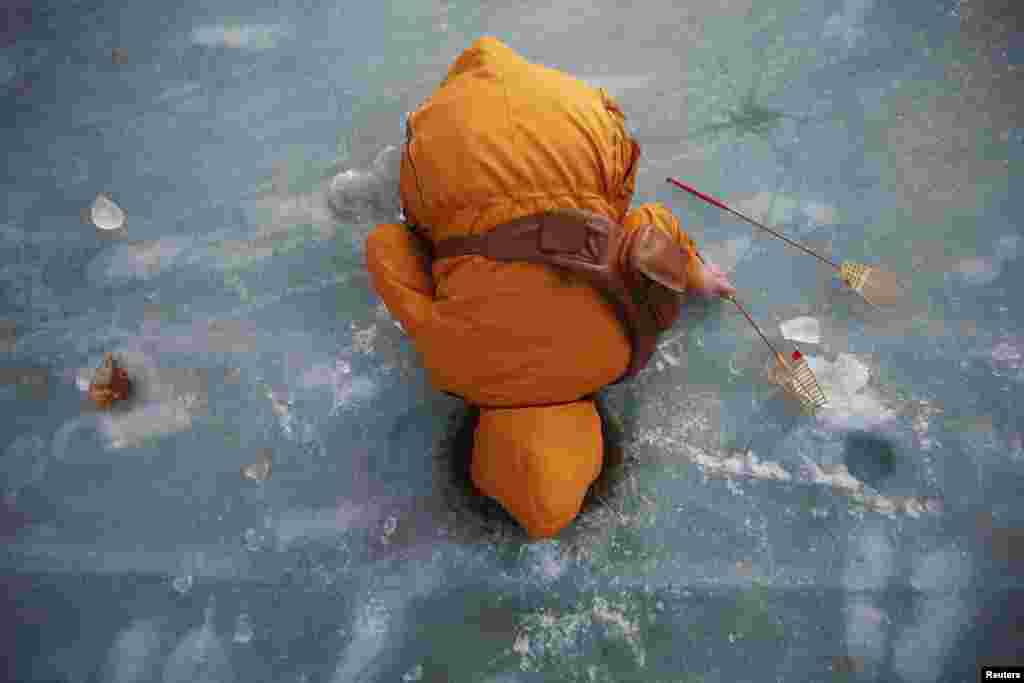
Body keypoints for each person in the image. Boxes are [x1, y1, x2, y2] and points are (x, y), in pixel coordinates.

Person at [363, 36, 735, 540]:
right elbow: (387, 245)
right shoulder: (452, 367)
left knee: (608, 210)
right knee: (426, 212)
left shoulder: (623, 350)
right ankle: (386, 174)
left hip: (578, 119)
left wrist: (698, 276)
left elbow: (651, 230)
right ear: (472, 441)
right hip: (452, 134)